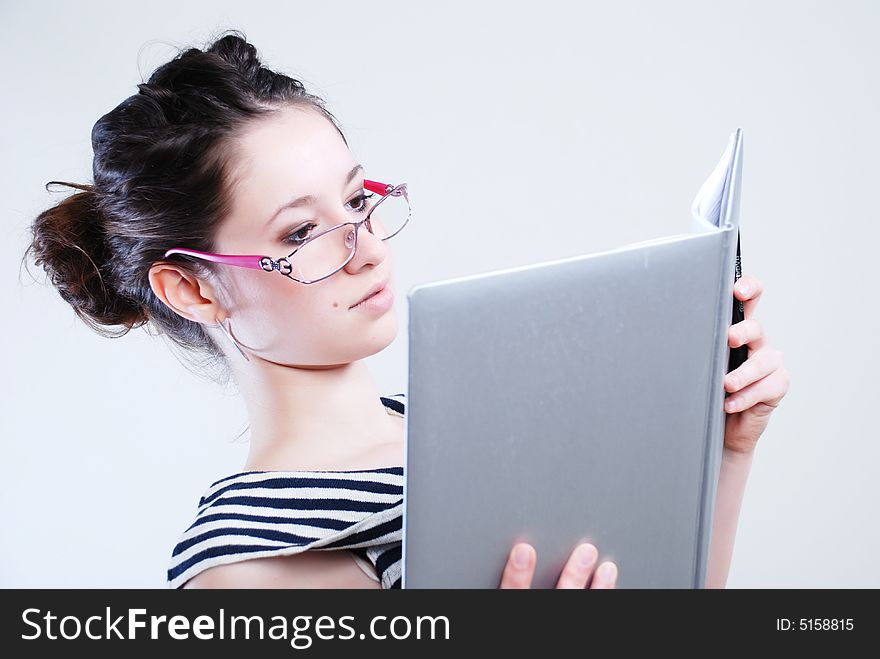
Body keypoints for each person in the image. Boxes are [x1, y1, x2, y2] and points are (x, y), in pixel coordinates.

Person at [23, 30, 789, 590]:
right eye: (301, 230)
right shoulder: (246, 572)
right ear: (192, 288)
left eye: (357, 200)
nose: (365, 247)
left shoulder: (475, 430)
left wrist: (720, 452)